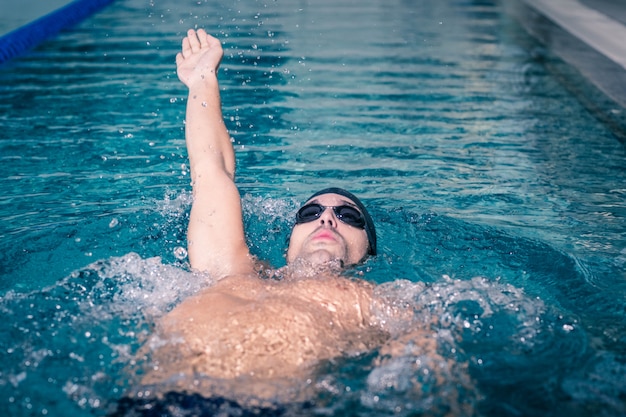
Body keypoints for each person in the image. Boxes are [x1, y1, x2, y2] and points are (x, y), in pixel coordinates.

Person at [136, 29, 471, 409]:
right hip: (151, 401)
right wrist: (201, 80)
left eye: (348, 216)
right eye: (311, 212)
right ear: (289, 241)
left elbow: (429, 356)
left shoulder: (370, 303)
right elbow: (211, 173)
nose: (327, 218)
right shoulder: (231, 269)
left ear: (368, 252)